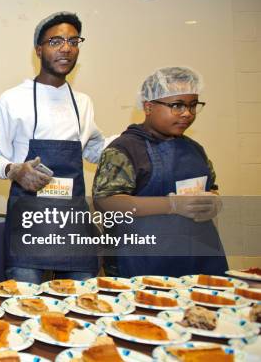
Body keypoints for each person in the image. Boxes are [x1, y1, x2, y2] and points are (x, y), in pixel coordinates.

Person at [0, 11, 109, 284]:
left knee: (82, 308)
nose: (66, 48)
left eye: (73, 41)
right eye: (56, 41)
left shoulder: (83, 103)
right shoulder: (12, 99)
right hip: (29, 224)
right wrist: (14, 170)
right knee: (26, 308)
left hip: (74, 223)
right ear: (38, 50)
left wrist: (127, 144)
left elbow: (93, 149)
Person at [93, 66, 227, 277]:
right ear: (148, 107)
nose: (187, 114)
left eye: (193, 105)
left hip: (198, 260)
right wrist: (172, 205)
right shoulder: (125, 149)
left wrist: (212, 202)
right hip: (143, 262)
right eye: (177, 105)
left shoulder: (195, 150)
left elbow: (212, 188)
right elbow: (107, 202)